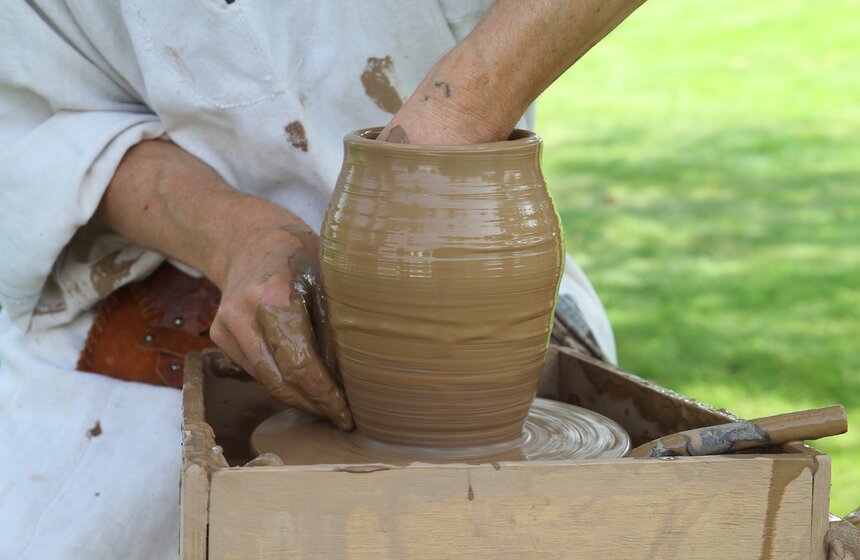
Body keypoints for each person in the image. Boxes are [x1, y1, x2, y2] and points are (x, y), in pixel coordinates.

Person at [0, 1, 646, 557]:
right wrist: (237, 236)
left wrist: (462, 108)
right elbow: (38, 121)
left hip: (486, 308)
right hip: (148, 339)